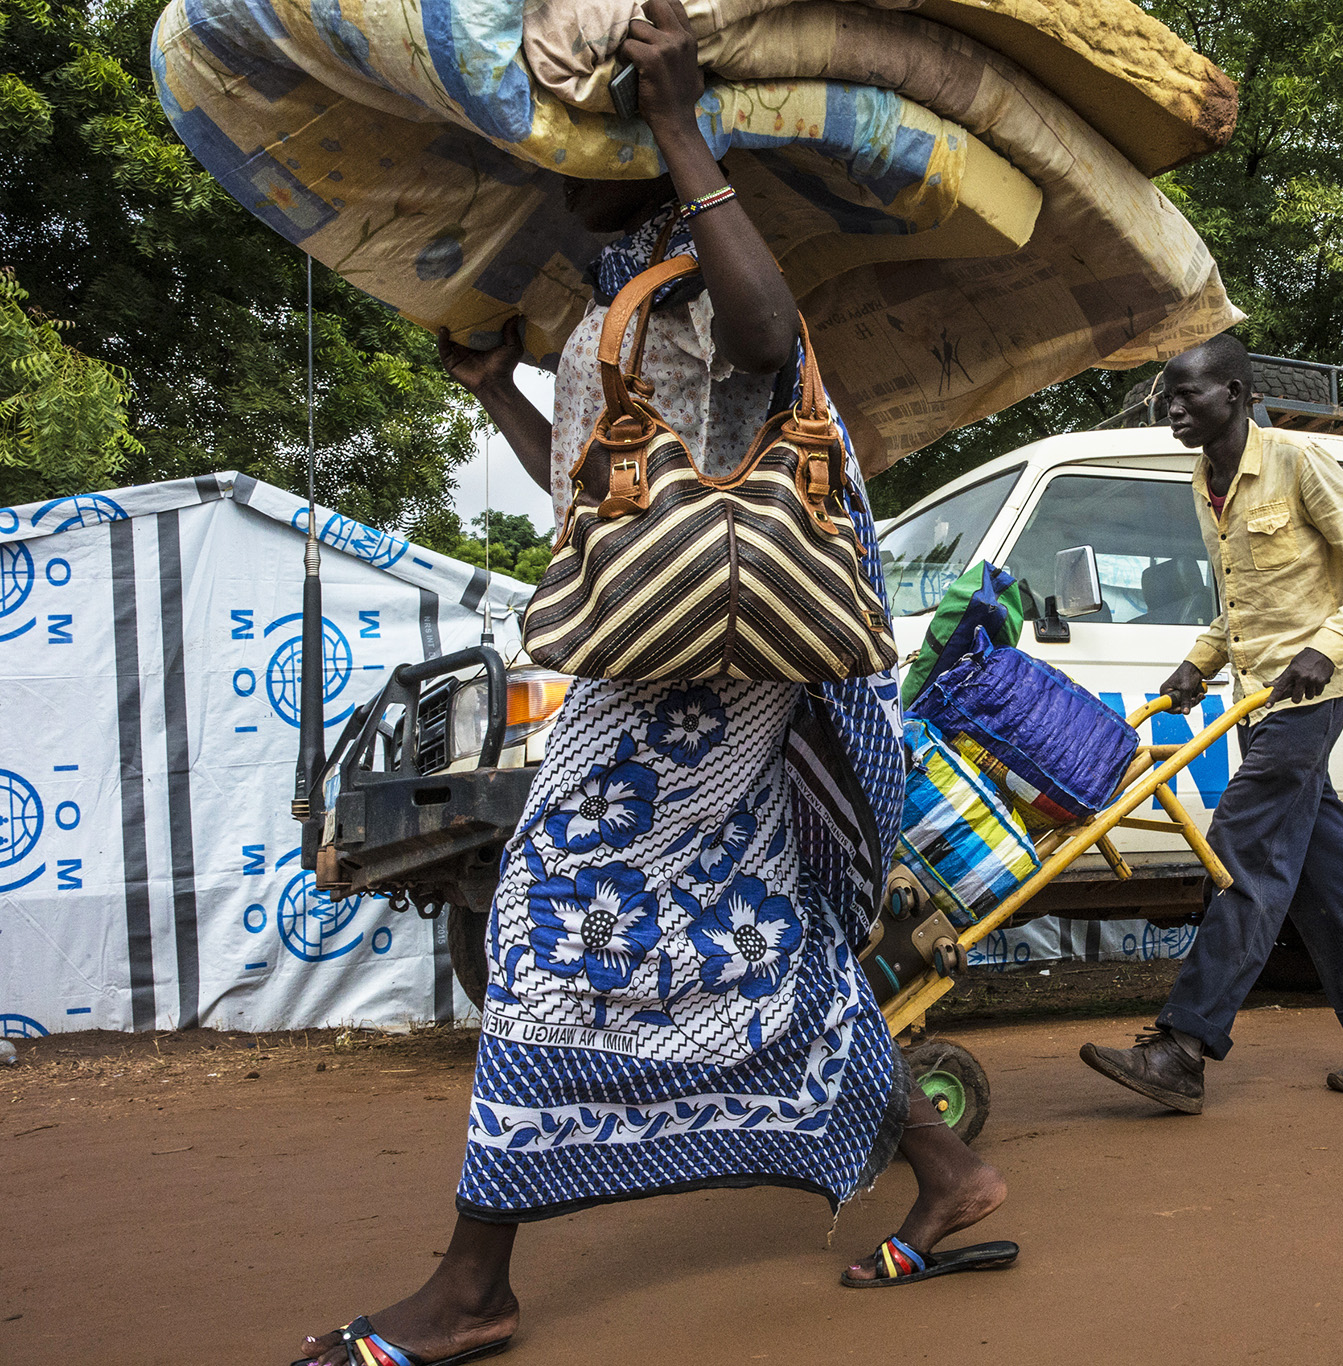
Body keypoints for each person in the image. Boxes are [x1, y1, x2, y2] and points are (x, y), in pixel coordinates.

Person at [293, 9, 1010, 1363]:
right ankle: (950, 1168)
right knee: (781, 929)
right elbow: (610, 512)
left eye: (580, 142)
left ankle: (472, 1284)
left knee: (548, 908)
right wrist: (502, 387)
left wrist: (685, 130)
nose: (548, 168)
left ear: (641, 137)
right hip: (667, 652)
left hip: (709, 679)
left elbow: (767, 335)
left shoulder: (698, 254)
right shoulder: (613, 295)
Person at [1076, 334, 1343, 1112]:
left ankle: (1184, 1046)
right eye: (1166, 398)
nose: (1173, 408)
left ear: (1239, 394)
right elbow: (1242, 601)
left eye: (1190, 395)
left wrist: (1326, 648)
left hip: (1309, 698)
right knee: (1322, 873)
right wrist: (1199, 663)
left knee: (1242, 853)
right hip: (1256, 697)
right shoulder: (1202, 480)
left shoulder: (1296, 462)